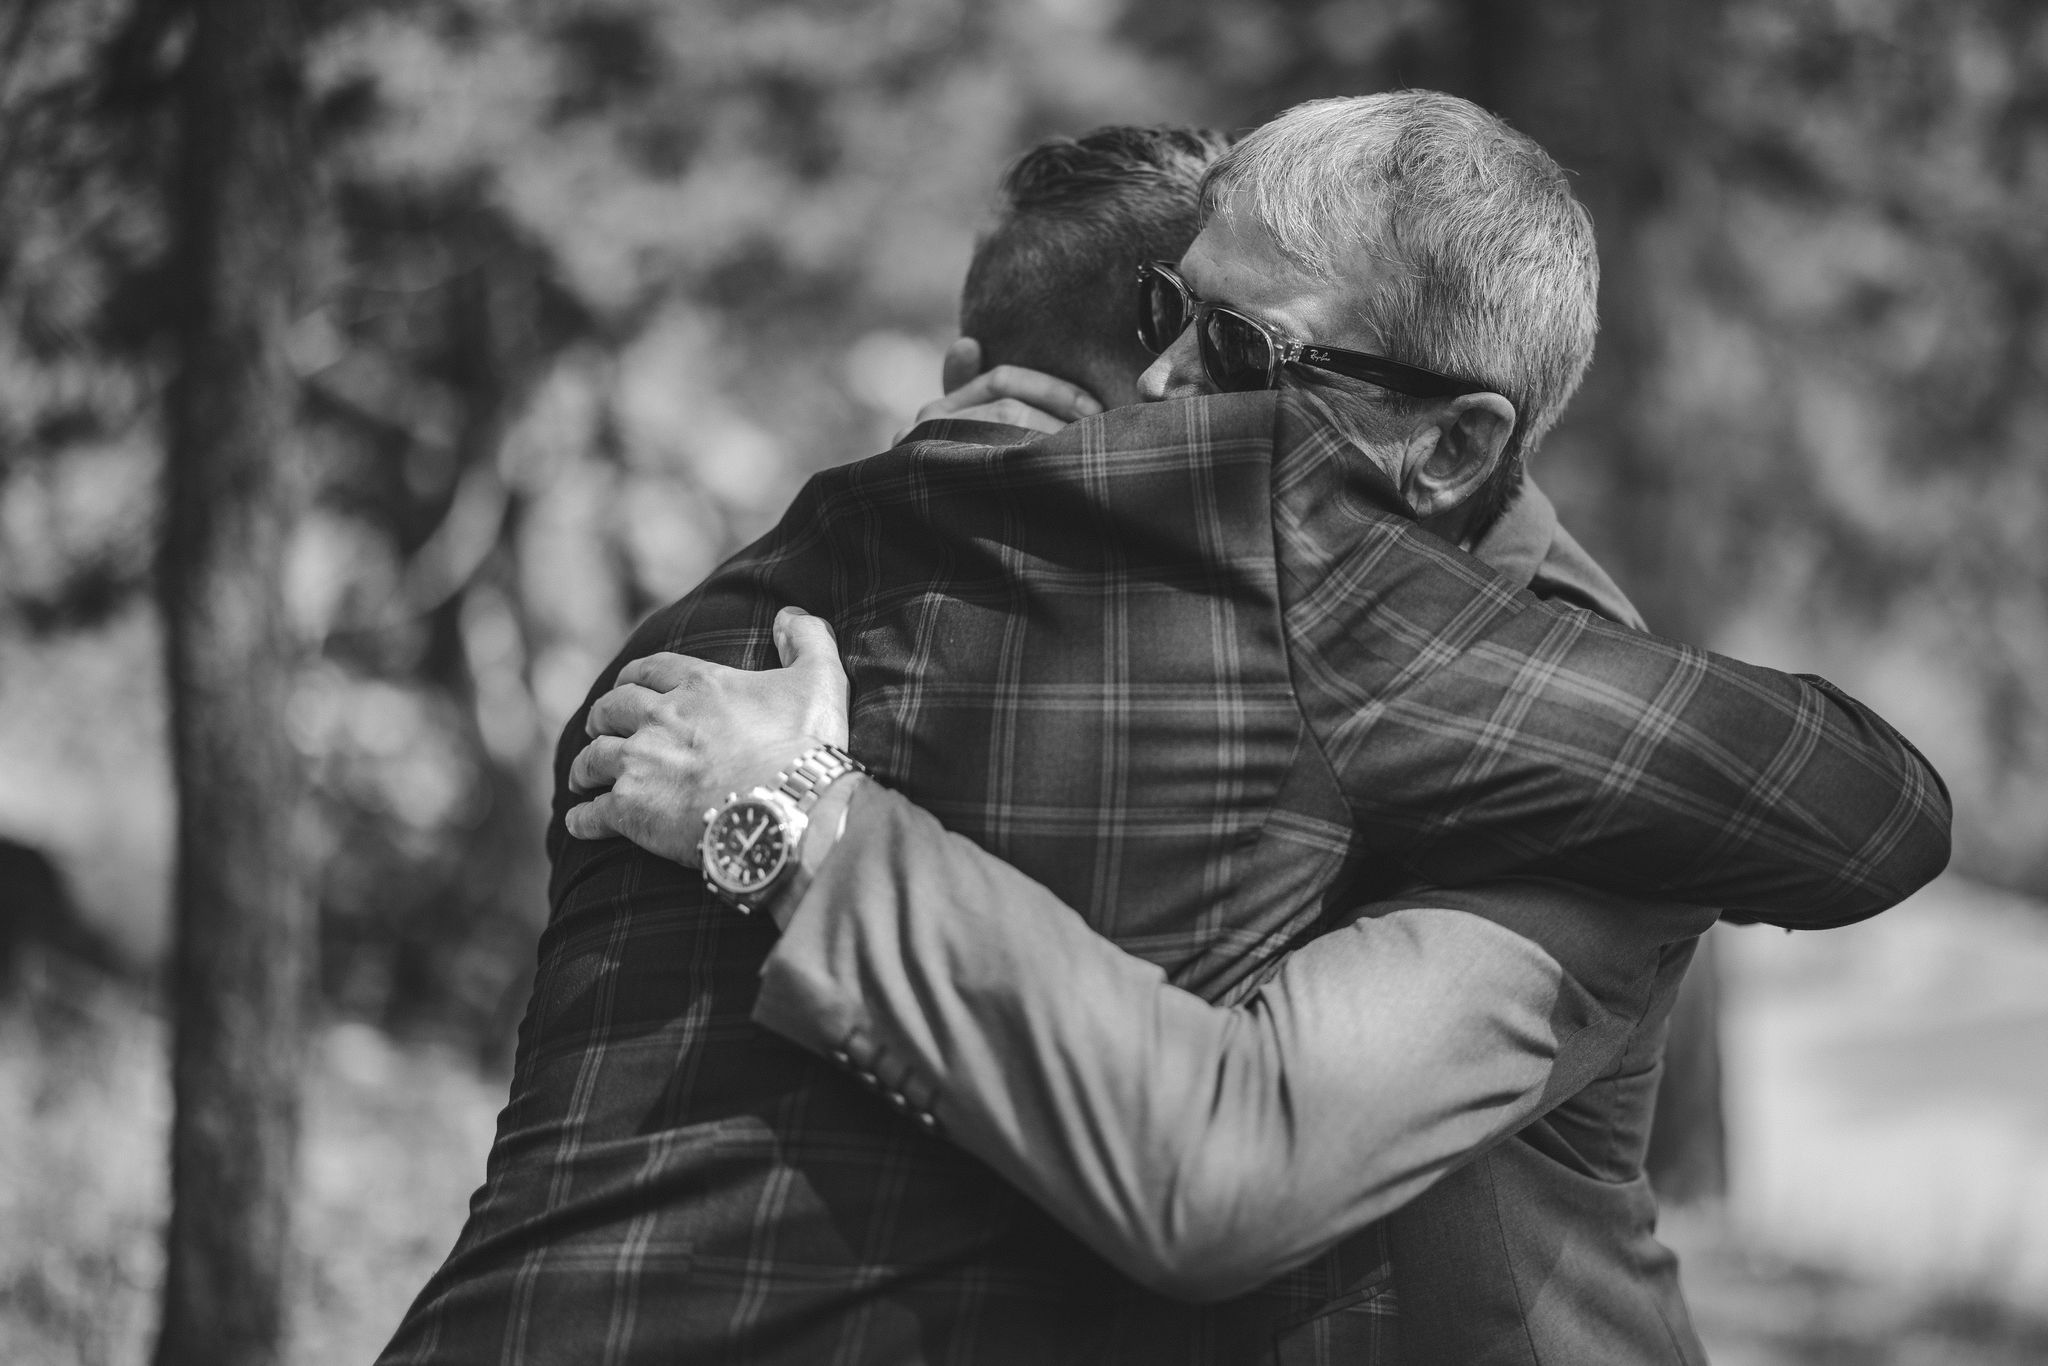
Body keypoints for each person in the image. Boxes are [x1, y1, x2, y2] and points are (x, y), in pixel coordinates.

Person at [382, 96, 1950, 1366]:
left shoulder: (1540, 720)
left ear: (1454, 443)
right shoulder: (1068, 604)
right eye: (1158, 312)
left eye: (1238, 354)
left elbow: (1225, 1165)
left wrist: (796, 812)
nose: (1157, 381)